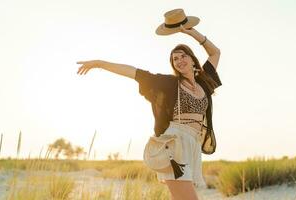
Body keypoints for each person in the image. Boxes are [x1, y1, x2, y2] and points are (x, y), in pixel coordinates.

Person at [76, 8, 221, 200]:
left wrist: (190, 31)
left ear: (193, 60)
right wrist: (100, 63)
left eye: (183, 56)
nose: (179, 61)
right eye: (175, 59)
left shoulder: (204, 82)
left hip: (192, 144)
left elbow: (215, 52)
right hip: (173, 145)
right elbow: (134, 72)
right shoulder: (169, 83)